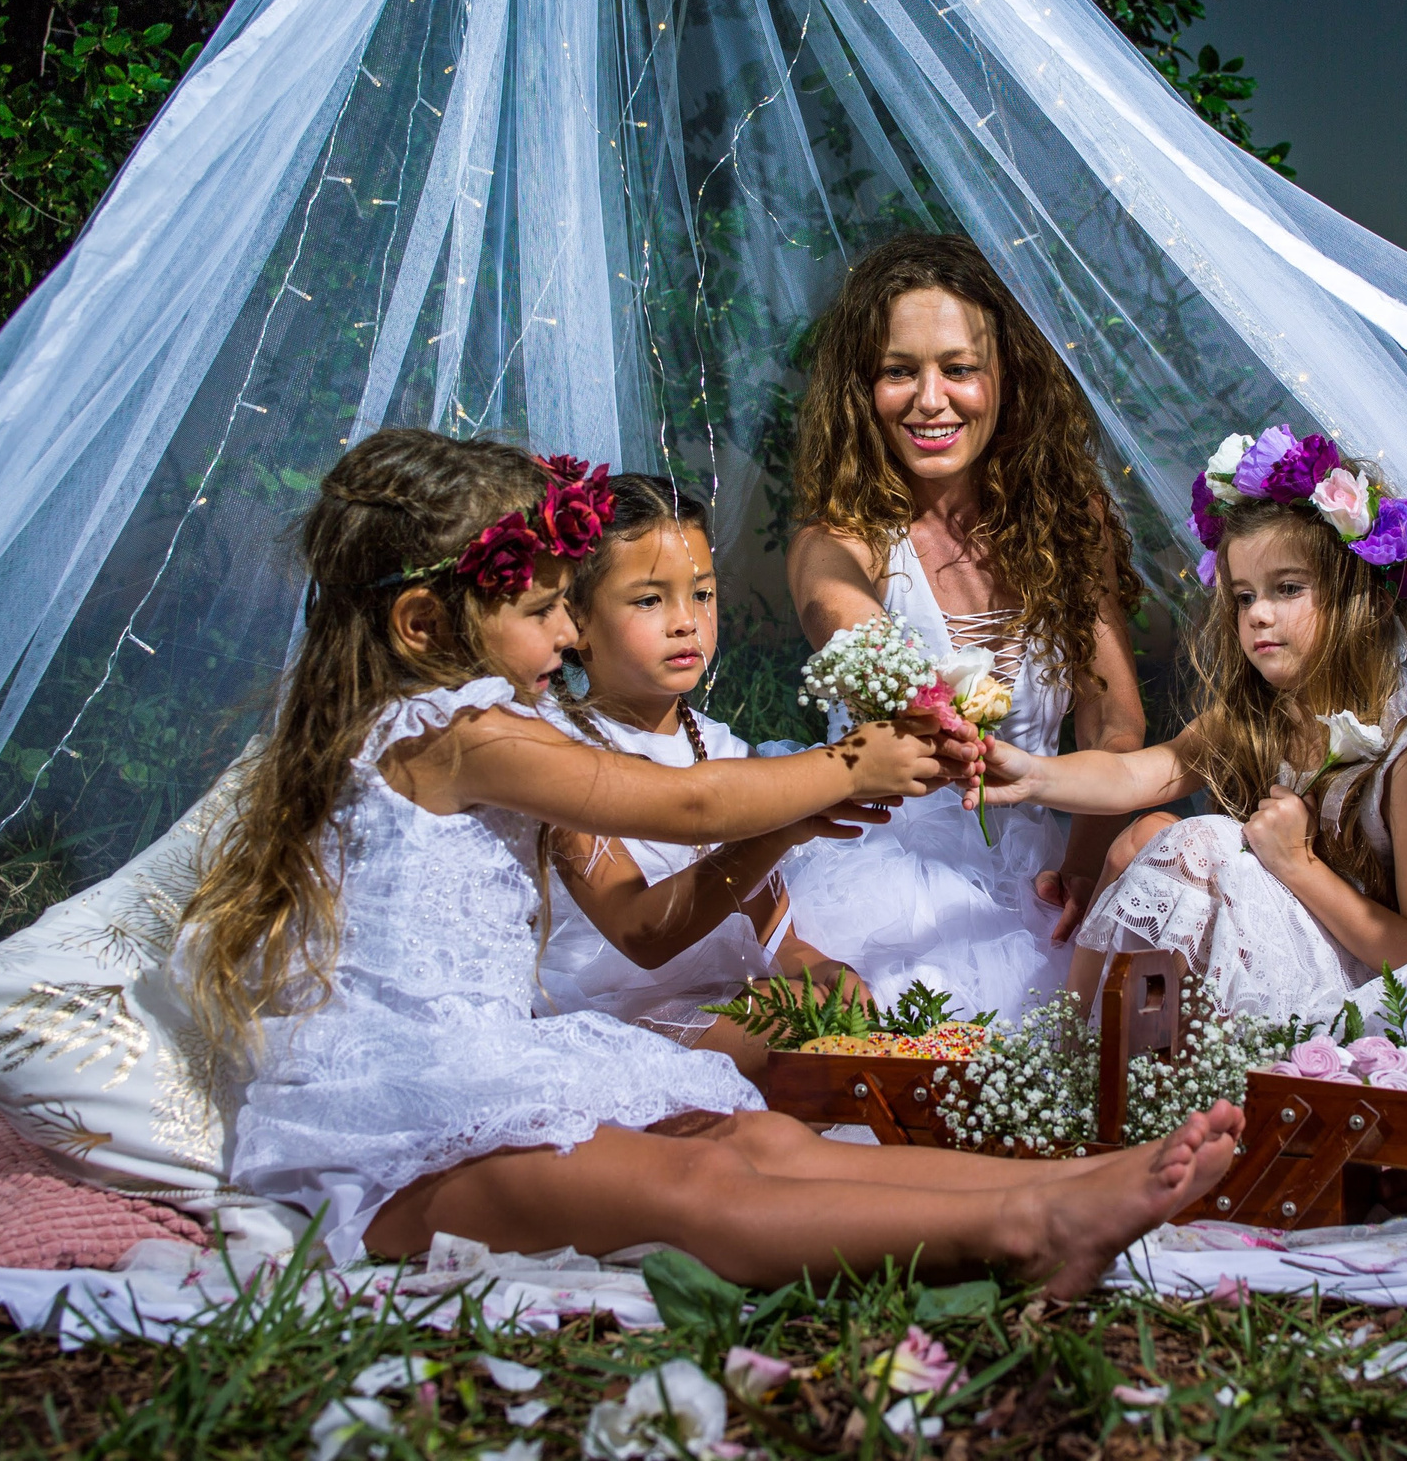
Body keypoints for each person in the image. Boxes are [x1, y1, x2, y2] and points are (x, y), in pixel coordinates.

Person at [174, 428, 1242, 1289]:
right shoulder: (463, 733)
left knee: (757, 1142)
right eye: (545, 606)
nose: (562, 634)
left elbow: (658, 896)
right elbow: (683, 802)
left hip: (494, 1071)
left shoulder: (485, 730)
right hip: (402, 1129)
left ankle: (1073, 1176)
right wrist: (843, 765)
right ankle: (1028, 1226)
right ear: (421, 622)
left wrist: (790, 818)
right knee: (692, 1185)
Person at [976, 428, 1407, 1029]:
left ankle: (1089, 1062)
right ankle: (1071, 1048)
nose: (1258, 614)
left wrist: (1299, 866)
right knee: (1148, 828)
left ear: (1361, 596)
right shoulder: (1255, 720)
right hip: (1269, 956)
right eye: (1244, 595)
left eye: (1288, 588)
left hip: (1367, 992)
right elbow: (1130, 775)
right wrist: (1031, 775)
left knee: (1201, 843)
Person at [781, 234, 1148, 1018]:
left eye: (958, 367)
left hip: (1043, 858)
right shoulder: (837, 541)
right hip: (888, 874)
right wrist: (909, 688)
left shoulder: (1072, 525)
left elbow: (1117, 724)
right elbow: (839, 618)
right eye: (898, 371)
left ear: (1006, 378)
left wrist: (1082, 870)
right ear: (862, 388)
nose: (929, 399)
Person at [538, 472, 865, 1077]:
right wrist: (778, 831)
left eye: (703, 594)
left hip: (722, 986)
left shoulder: (719, 747)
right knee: (783, 1039)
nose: (686, 621)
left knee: (835, 1013)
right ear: (577, 621)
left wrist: (808, 960)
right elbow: (640, 934)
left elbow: (768, 913)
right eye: (649, 599)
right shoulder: (556, 756)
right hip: (608, 1004)